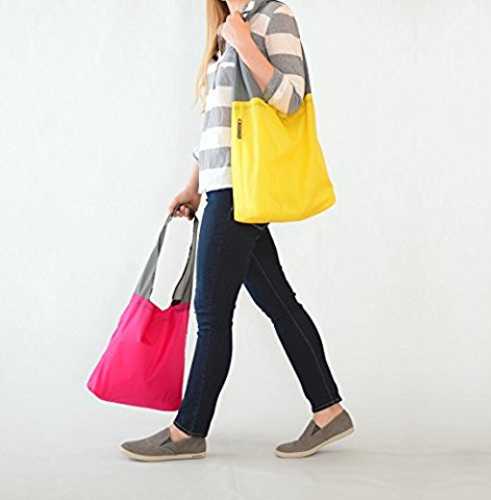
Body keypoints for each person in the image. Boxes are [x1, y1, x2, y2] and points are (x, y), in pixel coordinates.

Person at [120, 0, 354, 462]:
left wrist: (245, 45)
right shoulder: (226, 28)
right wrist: (194, 186)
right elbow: (217, 123)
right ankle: (329, 410)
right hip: (223, 187)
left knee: (212, 315)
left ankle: (188, 431)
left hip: (239, 189)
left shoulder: (274, 16)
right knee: (280, 303)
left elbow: (292, 98)